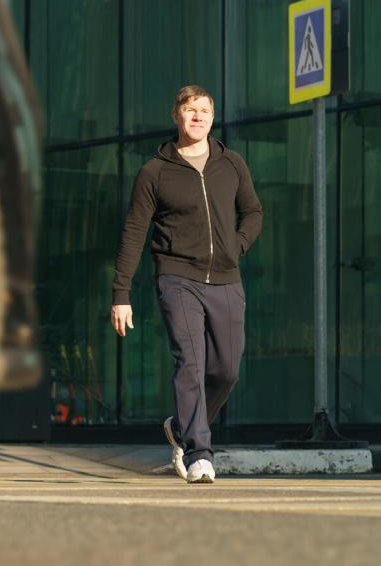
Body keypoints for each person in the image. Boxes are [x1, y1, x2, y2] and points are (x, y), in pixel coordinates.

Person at [110, 85, 263, 484]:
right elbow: (133, 233)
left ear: (213, 117)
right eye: (190, 110)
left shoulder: (231, 163)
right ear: (176, 115)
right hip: (177, 277)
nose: (197, 117)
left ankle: (181, 427)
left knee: (227, 369)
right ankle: (199, 451)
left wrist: (238, 245)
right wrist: (121, 294)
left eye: (205, 110)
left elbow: (253, 212)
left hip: (227, 278)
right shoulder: (154, 172)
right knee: (190, 363)